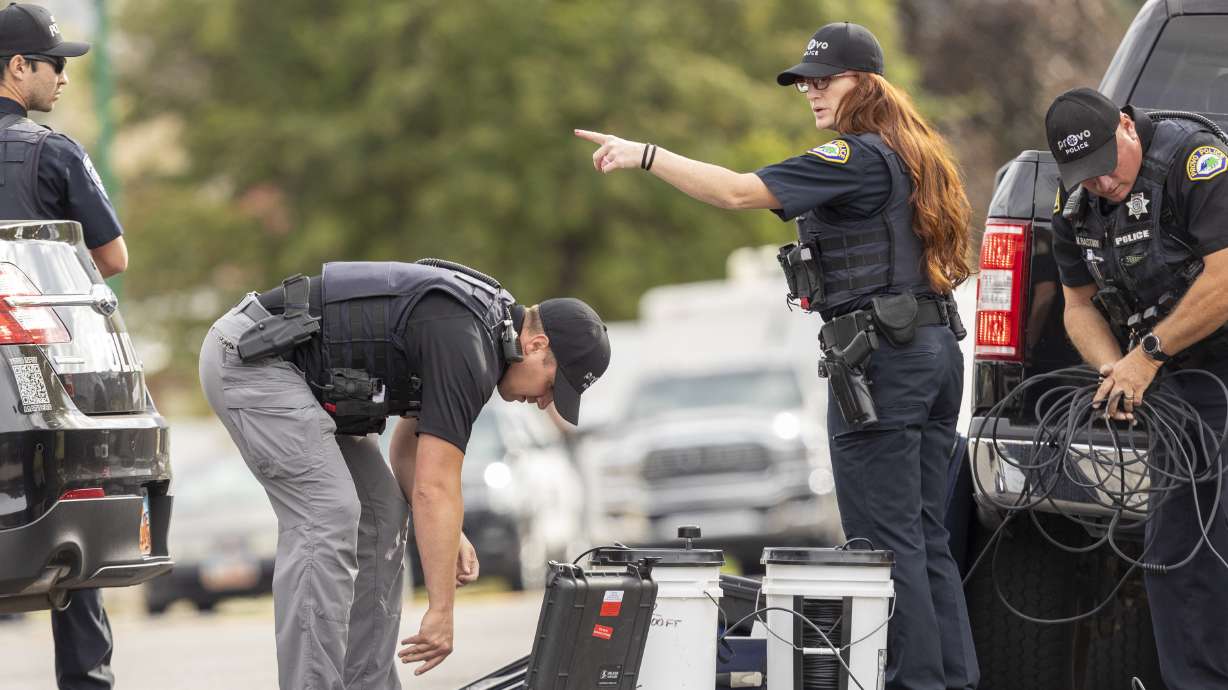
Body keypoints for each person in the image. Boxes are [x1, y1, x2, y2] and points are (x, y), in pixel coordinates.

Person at [576, 21, 978, 690]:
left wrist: (647, 155)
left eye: (824, 80)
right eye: (804, 83)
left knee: (886, 542)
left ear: (865, 84)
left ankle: (919, 683)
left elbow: (736, 191)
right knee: (929, 536)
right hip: (933, 353)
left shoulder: (853, 158)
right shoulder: (915, 156)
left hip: (884, 364)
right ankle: (953, 681)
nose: (811, 93)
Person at [198, 260, 611, 688]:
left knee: (382, 512)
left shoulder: (483, 331)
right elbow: (435, 487)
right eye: (553, 384)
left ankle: (367, 684)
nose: (546, 402)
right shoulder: (469, 342)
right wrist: (441, 612)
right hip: (253, 359)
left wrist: (449, 533)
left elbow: (408, 450)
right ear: (538, 345)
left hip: (301, 381)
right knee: (330, 513)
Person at [1046, 86, 1228, 688]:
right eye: (1085, 176)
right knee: (1175, 551)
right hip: (1178, 382)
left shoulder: (1191, 160)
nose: (1100, 184)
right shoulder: (1074, 204)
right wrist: (1113, 371)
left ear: (1127, 127)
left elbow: (1226, 278)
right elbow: (1078, 306)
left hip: (1210, 359)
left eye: (1105, 167)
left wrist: (1145, 356)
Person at [0, 4, 127, 689]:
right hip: (37, 373)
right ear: (18, 68)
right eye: (56, 65)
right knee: (68, 533)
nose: (65, 79)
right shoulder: (52, 150)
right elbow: (112, 256)